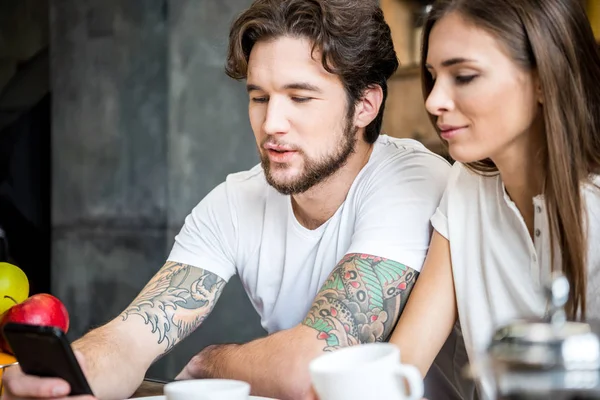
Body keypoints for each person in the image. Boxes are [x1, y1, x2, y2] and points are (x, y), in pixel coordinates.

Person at [3, 0, 452, 399]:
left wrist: (211, 362)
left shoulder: (410, 180)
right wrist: (67, 377)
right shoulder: (235, 200)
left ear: (365, 106)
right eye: (259, 97)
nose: (272, 123)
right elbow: (132, 337)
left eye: (300, 97)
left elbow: (310, 372)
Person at [387, 0, 600, 398]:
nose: (433, 101)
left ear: (543, 79)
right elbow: (404, 363)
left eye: (463, 76)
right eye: (432, 76)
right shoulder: (466, 184)